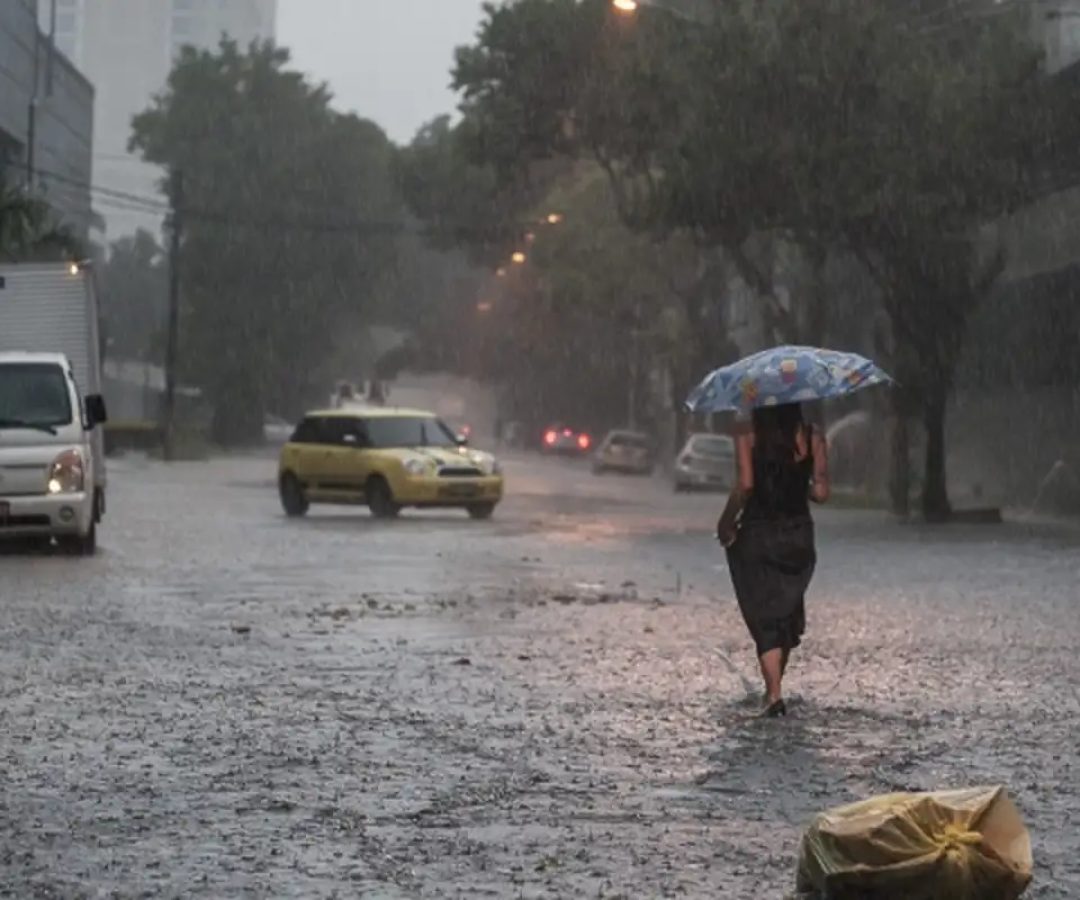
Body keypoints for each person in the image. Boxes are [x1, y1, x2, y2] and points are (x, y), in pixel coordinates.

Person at [716, 403, 829, 718]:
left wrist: (726, 521)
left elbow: (746, 485)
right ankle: (774, 687)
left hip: (758, 534)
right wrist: (795, 482)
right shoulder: (813, 435)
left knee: (764, 614)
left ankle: (774, 694)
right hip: (799, 536)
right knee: (786, 610)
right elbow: (821, 493)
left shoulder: (747, 433)